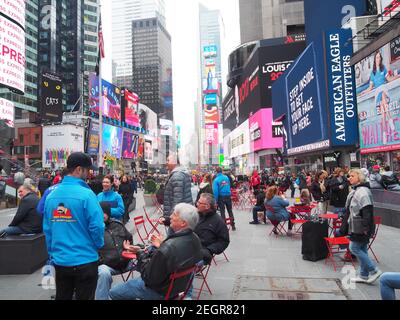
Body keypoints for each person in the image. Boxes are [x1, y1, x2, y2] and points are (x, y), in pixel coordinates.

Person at [43, 152, 104, 300]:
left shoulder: (51, 196)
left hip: (61, 261)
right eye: (87, 170)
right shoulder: (88, 195)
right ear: (78, 169)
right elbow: (97, 227)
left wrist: (52, 253)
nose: (89, 173)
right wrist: (98, 245)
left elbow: (47, 230)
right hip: (85, 260)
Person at [109, 203, 203, 300]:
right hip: (177, 288)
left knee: (113, 293)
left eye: (174, 214)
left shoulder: (168, 248)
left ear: (183, 223)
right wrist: (160, 245)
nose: (170, 216)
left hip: (160, 291)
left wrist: (140, 253)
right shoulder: (195, 239)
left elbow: (148, 278)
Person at [339, 169, 382, 284]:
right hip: (358, 226)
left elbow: (367, 211)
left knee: (354, 248)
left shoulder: (362, 191)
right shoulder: (358, 190)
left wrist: (365, 228)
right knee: (362, 249)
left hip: (360, 227)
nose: (349, 178)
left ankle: (374, 270)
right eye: (349, 176)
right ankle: (363, 275)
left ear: (359, 177)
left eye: (352, 176)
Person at [95, 202, 134, 300]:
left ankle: (140, 292)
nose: (102, 215)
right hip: (108, 266)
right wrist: (101, 261)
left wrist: (130, 248)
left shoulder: (118, 224)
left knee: (146, 261)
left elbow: (129, 239)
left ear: (108, 213)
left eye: (104, 212)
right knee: (103, 273)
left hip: (126, 262)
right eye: (100, 212)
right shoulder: (94, 228)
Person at [195, 193, 230, 265]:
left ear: (207, 206)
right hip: (188, 247)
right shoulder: (197, 214)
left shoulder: (218, 221)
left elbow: (224, 241)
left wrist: (209, 250)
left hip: (201, 254)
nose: (196, 204)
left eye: (199, 203)